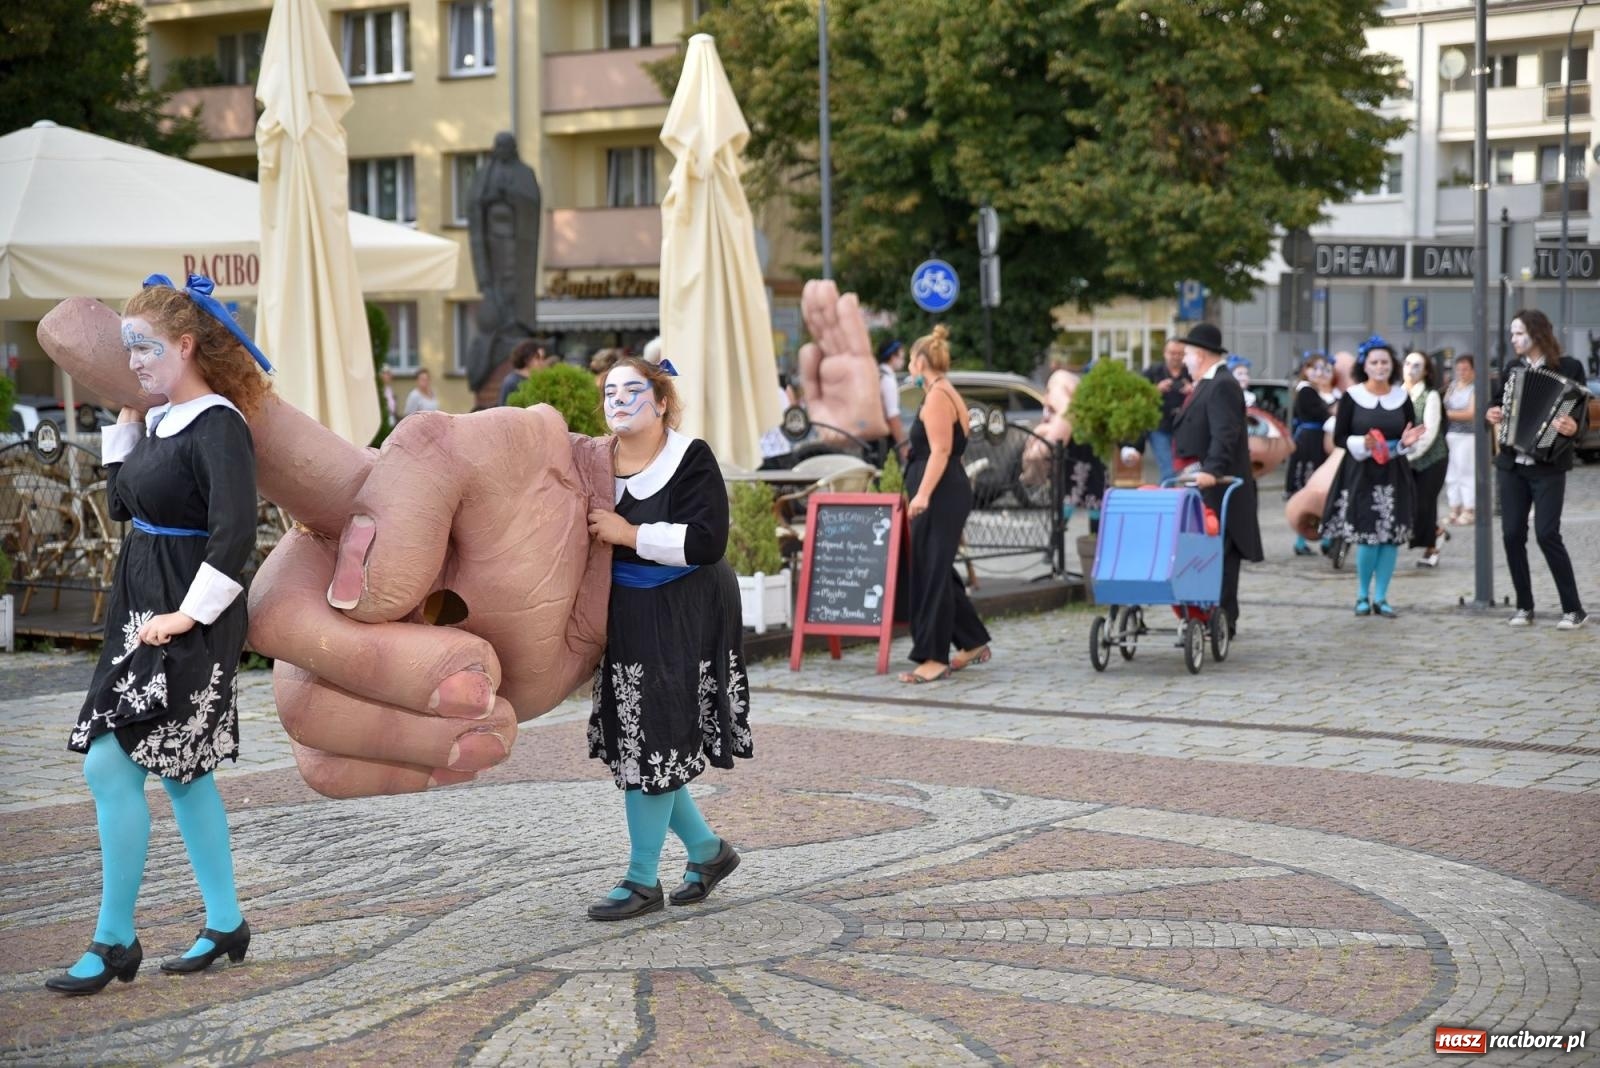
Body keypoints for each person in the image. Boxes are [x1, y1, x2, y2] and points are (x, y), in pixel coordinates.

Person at [47, 273, 266, 994]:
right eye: (127, 348)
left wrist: (189, 615)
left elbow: (235, 532)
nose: (134, 360)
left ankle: (114, 940)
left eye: (144, 348)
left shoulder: (219, 423)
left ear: (186, 343)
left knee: (111, 768)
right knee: (184, 770)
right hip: (138, 606)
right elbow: (121, 507)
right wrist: (128, 428)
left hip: (185, 616)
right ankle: (226, 921)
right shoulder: (160, 418)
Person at [584, 354, 751, 920]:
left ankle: (640, 880)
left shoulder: (690, 458)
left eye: (632, 391)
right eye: (610, 393)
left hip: (686, 607)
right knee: (642, 737)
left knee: (652, 734)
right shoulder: (594, 462)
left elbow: (709, 541)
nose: (619, 401)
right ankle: (708, 852)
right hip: (628, 608)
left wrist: (629, 532)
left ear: (659, 401)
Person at [1485, 309, 1589, 629]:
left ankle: (1573, 609)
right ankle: (1524, 606)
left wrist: (1574, 428)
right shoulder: (1511, 369)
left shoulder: (1570, 367)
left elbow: (1581, 416)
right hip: (1513, 465)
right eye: (1512, 334)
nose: (1513, 339)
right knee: (1512, 533)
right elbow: (1495, 408)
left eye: (1518, 333)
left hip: (1548, 465)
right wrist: (1492, 415)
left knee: (1547, 534)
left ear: (1537, 333)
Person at [899, 325, 991, 684]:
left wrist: (921, 494)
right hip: (944, 490)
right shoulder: (945, 390)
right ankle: (972, 640)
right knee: (937, 568)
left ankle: (933, 656)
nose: (908, 364)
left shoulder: (938, 395)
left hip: (939, 493)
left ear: (921, 361)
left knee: (931, 571)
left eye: (911, 359)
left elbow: (940, 451)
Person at [1321, 337, 1427, 618]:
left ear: (1392, 366)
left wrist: (1405, 443)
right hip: (1361, 472)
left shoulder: (1401, 396)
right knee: (1367, 536)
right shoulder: (1352, 396)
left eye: (1384, 362)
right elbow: (1340, 437)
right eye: (1374, 362)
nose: (1380, 367)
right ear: (1364, 366)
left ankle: (1381, 596)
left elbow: (1409, 434)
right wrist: (1361, 443)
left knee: (1390, 537)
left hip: (1394, 471)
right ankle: (1361, 595)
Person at [1168, 323, 1263, 637]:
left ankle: (1222, 618)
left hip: (1217, 486)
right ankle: (1203, 612)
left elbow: (1225, 432)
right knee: (1204, 551)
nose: (1184, 362)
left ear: (1201, 355)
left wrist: (1212, 470)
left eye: (1188, 355)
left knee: (1221, 553)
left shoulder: (1221, 384)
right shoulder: (1206, 383)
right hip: (1197, 483)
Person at [1402, 351, 1449, 568]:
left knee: (1424, 504)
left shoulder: (1430, 395)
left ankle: (1434, 542)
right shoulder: (1398, 394)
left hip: (1432, 459)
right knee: (1408, 504)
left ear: (1426, 371)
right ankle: (1435, 532)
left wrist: (1409, 454)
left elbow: (1429, 432)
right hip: (1406, 459)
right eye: (1408, 363)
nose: (1411, 369)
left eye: (1417, 365)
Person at [1286, 353, 1333, 556]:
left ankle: (1311, 538)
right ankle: (1303, 539)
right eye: (1314, 368)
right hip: (1310, 441)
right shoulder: (1306, 391)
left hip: (1314, 439)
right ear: (1306, 370)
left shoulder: (1312, 391)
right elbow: (1323, 414)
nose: (1318, 372)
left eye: (1323, 368)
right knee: (1312, 488)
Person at [1142, 338, 1190, 483]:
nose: (1176, 356)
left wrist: (1192, 391)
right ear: (1164, 353)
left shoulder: (1191, 372)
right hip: (1159, 426)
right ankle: (1168, 502)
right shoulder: (1153, 371)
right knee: (1169, 470)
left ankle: (1187, 502)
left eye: (1180, 353)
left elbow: (1205, 393)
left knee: (1190, 469)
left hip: (1185, 427)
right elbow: (1139, 396)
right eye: (1172, 353)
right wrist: (1156, 390)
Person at [1442, 354, 1477, 526]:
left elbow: (1471, 414)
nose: (1462, 373)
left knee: (1466, 471)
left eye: (1466, 369)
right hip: (1451, 434)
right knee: (1452, 472)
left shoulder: (1475, 389)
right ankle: (1454, 507)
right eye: (1459, 369)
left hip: (1468, 436)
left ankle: (1468, 508)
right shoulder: (1453, 387)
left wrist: (1448, 415)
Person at [874, 338, 907, 464]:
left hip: (872, 439)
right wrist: (903, 446)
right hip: (885, 442)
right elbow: (892, 415)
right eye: (902, 356)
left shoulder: (876, 375)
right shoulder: (887, 380)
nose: (902, 361)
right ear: (893, 356)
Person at [496, 340, 539, 407]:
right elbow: (503, 407)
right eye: (537, 358)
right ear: (527, 359)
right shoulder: (511, 381)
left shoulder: (535, 379)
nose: (540, 362)